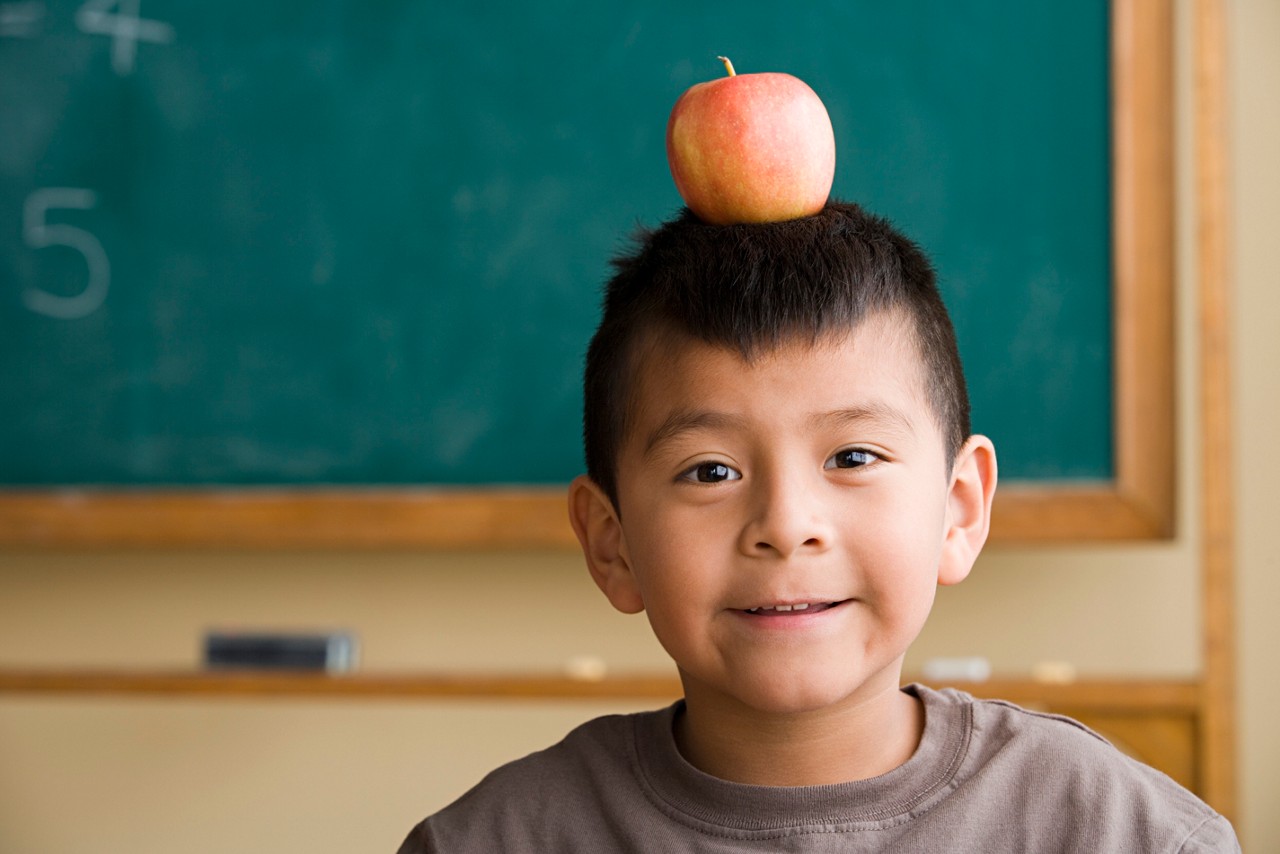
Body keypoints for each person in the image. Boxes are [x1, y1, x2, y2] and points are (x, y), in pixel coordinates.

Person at [397, 202, 1239, 852]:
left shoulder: (1118, 833)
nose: (786, 525)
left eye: (854, 457)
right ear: (610, 543)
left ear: (960, 508)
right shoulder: (494, 841)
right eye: (710, 472)